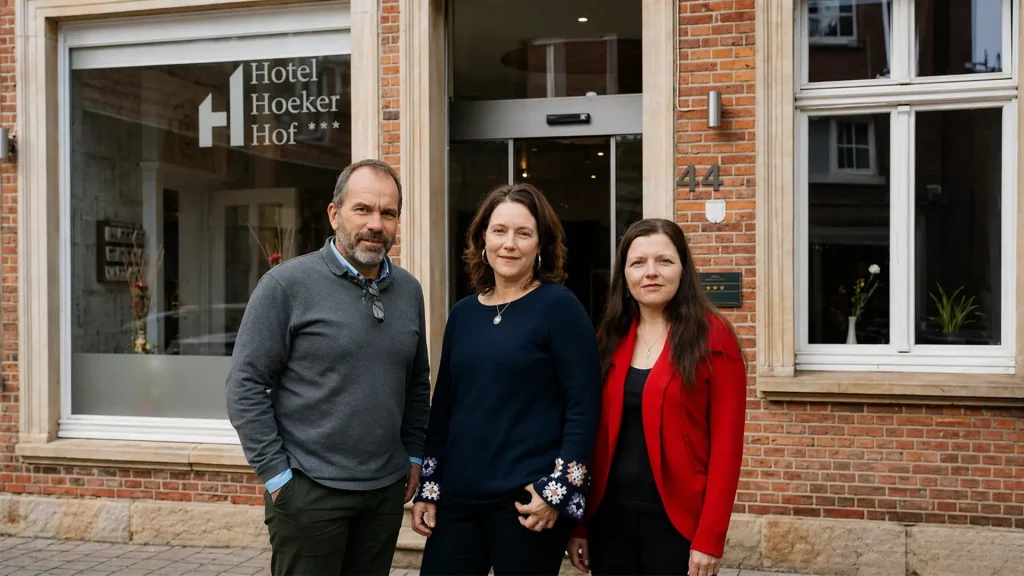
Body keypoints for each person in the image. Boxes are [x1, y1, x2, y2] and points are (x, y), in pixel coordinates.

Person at [225, 158, 431, 576]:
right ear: (335, 214)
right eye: (363, 209)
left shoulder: (408, 291)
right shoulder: (286, 286)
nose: (376, 223)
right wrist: (278, 477)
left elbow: (416, 383)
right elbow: (245, 386)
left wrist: (412, 455)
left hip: (383, 493)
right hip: (310, 492)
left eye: (387, 213)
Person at [410, 183, 601, 575]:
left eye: (523, 233)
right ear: (483, 239)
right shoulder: (463, 314)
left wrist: (558, 493)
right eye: (499, 231)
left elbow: (584, 407)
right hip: (459, 499)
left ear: (541, 245)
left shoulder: (560, 308)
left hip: (526, 502)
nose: (509, 243)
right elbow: (444, 406)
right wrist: (429, 489)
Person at [566, 218, 747, 576]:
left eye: (664, 261)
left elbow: (727, 449)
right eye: (638, 263)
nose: (651, 272)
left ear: (683, 269)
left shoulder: (714, 338)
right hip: (608, 521)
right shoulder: (608, 337)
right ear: (625, 275)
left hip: (677, 525)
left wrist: (710, 539)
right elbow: (590, 437)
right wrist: (580, 525)